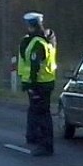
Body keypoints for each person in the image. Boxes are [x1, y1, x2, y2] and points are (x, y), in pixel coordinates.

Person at [18, 11, 57, 156]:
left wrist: (31, 85)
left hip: (39, 84)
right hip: (46, 82)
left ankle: (45, 146)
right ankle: (39, 140)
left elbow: (35, 65)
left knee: (42, 115)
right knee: (41, 113)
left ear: (31, 26)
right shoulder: (46, 40)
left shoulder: (37, 43)